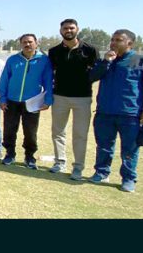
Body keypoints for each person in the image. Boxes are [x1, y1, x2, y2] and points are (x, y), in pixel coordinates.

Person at [88, 29, 143, 192]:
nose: (113, 43)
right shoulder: (106, 60)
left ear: (129, 43)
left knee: (130, 149)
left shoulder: (141, 60)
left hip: (130, 114)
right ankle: (101, 172)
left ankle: (128, 178)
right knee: (104, 146)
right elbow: (91, 77)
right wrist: (106, 62)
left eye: (118, 40)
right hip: (104, 112)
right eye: (112, 40)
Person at [48, 19, 99, 180]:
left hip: (82, 98)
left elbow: (96, 73)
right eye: (65, 28)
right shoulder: (54, 51)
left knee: (80, 134)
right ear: (60, 30)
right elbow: (51, 73)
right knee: (58, 132)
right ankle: (59, 162)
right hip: (60, 97)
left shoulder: (90, 50)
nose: (68, 30)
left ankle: (78, 167)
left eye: (71, 28)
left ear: (77, 29)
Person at [0, 34, 53, 169]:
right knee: (9, 129)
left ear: (36, 43)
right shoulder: (13, 60)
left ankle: (29, 157)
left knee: (30, 131)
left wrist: (48, 100)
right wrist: (3, 98)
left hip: (32, 102)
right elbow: (4, 80)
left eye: (30, 42)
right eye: (24, 42)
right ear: (21, 44)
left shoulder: (43, 60)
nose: (27, 44)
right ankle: (9, 154)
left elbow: (48, 81)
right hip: (12, 101)